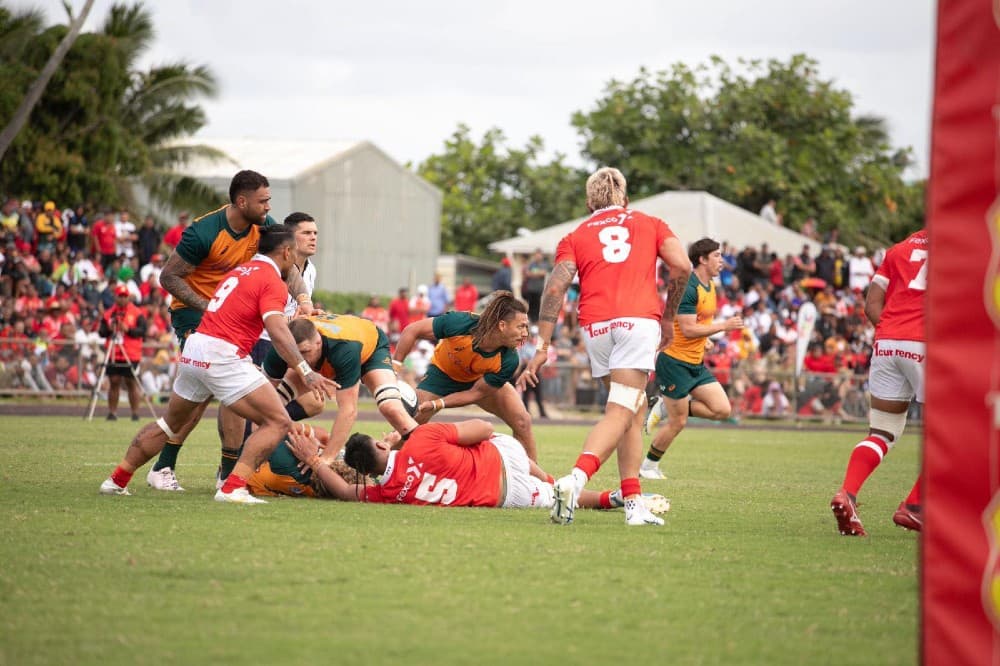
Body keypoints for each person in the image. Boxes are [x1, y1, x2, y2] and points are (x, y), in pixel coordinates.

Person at [99, 224, 337, 503]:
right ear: (286, 252)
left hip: (196, 348)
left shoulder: (240, 270)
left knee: (169, 424)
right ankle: (232, 486)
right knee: (278, 421)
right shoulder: (272, 280)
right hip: (222, 353)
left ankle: (116, 479)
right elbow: (276, 329)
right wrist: (305, 371)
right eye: (293, 254)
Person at [519, 166, 691, 527]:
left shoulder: (575, 235)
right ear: (625, 199)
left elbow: (554, 289)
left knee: (631, 410)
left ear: (588, 203)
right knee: (621, 412)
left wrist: (542, 345)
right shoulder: (650, 223)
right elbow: (682, 266)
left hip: (596, 326)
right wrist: (667, 317)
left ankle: (633, 504)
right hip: (637, 322)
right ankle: (575, 479)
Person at [147, 170, 315, 492]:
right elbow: (169, 277)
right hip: (195, 316)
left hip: (234, 319)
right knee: (198, 398)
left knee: (233, 395)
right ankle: (164, 465)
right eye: (263, 201)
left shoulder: (264, 226)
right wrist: (209, 304)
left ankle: (226, 473)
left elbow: (288, 265)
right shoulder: (203, 233)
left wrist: (304, 300)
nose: (268, 207)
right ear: (242, 201)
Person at [277, 419, 668, 516]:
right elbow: (481, 427)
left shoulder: (386, 492)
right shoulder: (425, 436)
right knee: (492, 438)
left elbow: (345, 492)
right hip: (505, 458)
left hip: (505, 498)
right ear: (381, 443)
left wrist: (313, 459)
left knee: (553, 497)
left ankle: (610, 499)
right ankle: (554, 478)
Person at [831, 229, 927, 536]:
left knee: (882, 432)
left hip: (887, 342)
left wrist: (892, 337)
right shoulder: (967, 246)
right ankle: (914, 507)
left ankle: (848, 493)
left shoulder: (899, 249)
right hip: (929, 343)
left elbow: (871, 304)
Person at [639, 238, 744, 479]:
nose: (722, 261)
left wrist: (704, 339)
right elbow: (686, 329)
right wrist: (723, 326)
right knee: (679, 422)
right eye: (717, 256)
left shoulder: (710, 286)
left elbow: (697, 324)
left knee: (722, 410)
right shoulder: (689, 286)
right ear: (702, 259)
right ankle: (648, 466)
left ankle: (667, 406)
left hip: (695, 362)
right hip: (674, 362)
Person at [393, 291, 538, 460]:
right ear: (502, 325)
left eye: (526, 327)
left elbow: (475, 393)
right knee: (409, 421)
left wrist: (438, 404)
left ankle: (532, 483)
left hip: (478, 381)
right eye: (521, 326)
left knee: (522, 421)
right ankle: (380, 469)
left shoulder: (510, 360)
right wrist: (394, 368)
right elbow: (412, 330)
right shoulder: (460, 323)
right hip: (441, 376)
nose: (525, 333)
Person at [262, 314, 419, 463]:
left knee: (391, 407)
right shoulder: (281, 347)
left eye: (304, 352)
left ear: (318, 343)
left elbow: (348, 411)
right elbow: (263, 403)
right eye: (294, 354)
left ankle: (431, 453)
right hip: (333, 347)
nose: (300, 359)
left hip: (369, 347)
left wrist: (324, 461)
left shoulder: (344, 349)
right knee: (274, 400)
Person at [97, 284, 147, 421]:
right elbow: (101, 332)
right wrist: (109, 328)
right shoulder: (108, 314)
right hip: (113, 352)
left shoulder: (137, 313)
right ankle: (112, 412)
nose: (123, 299)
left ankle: (135, 413)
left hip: (131, 353)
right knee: (114, 381)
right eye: (120, 296)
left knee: (131, 382)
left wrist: (128, 330)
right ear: (115, 297)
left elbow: (143, 331)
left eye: (125, 296)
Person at [521, 249, 550, 322]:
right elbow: (527, 273)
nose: (538, 256)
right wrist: (537, 274)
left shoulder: (544, 264)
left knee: (538, 306)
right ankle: (530, 320)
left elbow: (543, 273)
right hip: (530, 289)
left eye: (539, 255)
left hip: (539, 289)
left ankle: (536, 321)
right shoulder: (531, 264)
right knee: (530, 306)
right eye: (536, 255)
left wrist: (533, 274)